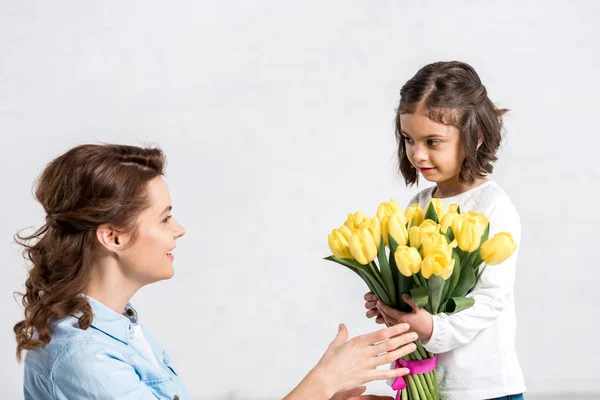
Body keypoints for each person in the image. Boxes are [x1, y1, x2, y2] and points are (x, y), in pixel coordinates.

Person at [14, 143, 416, 400]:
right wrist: (320, 385)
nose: (180, 229)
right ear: (113, 238)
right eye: (165, 218)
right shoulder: (83, 358)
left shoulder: (119, 330)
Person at [364, 61, 526, 400]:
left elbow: (491, 299)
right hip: (426, 383)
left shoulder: (492, 207)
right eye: (409, 139)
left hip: (483, 387)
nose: (417, 154)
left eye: (433, 142)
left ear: (476, 138)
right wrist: (391, 302)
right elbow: (415, 286)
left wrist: (432, 329)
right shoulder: (418, 207)